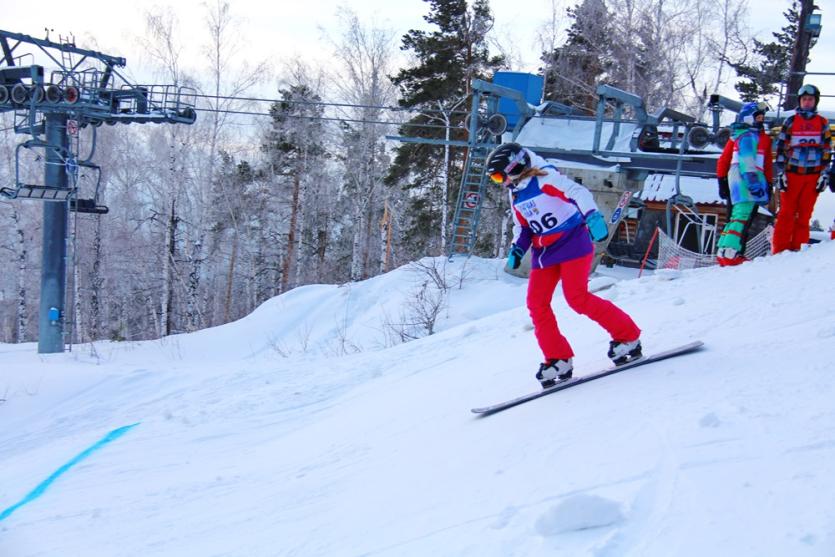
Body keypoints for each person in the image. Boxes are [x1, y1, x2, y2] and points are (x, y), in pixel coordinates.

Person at [486, 142, 642, 389]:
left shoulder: (546, 178)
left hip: (572, 244)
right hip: (544, 253)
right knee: (536, 304)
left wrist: (592, 216)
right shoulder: (515, 190)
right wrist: (518, 247)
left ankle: (628, 336)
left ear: (514, 167)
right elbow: (523, 226)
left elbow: (579, 193)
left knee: (577, 298)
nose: (499, 182)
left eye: (498, 176)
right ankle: (558, 359)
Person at [772, 84, 835, 254]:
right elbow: (781, 147)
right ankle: (780, 250)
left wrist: (824, 174)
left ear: (815, 102)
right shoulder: (791, 121)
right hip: (793, 174)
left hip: (813, 176)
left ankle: (798, 249)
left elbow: (827, 150)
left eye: (810, 99)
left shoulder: (822, 123)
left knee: (804, 214)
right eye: (804, 99)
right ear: (800, 101)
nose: (807, 102)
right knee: (786, 213)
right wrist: (781, 172)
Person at [715, 101, 773, 266]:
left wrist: (768, 184)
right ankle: (731, 252)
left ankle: (727, 250)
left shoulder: (762, 138)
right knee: (740, 217)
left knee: (742, 217)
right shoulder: (744, 136)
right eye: (758, 117)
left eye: (762, 117)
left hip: (752, 180)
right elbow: (729, 160)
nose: (761, 121)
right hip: (746, 183)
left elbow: (767, 163)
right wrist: (722, 181)